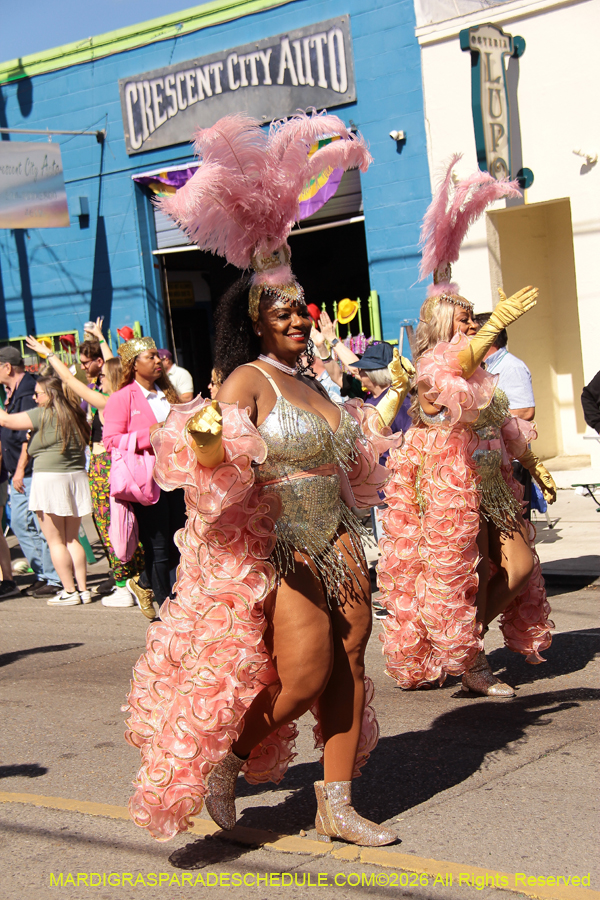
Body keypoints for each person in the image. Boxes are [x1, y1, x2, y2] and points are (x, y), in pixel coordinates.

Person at [124, 111, 412, 845]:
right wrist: (210, 444)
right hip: (281, 547)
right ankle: (225, 752)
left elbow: (351, 461)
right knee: (307, 673)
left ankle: (336, 802)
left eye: (300, 308)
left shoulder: (316, 384)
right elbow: (210, 469)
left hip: (341, 541)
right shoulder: (248, 381)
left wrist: (394, 401)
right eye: (281, 310)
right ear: (255, 319)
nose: (295, 317)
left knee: (349, 663)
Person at [378, 157, 557, 697]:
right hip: (447, 488)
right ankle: (472, 663)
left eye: (477, 318)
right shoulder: (433, 369)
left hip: (493, 482)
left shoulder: (484, 373)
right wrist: (497, 326)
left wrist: (534, 463)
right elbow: (449, 372)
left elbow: (503, 425)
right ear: (440, 324)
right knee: (462, 573)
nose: (475, 323)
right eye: (466, 318)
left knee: (519, 568)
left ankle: (464, 639)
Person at [25, 336, 145, 611]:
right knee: (133, 528)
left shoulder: (109, 402)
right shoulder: (134, 397)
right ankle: (138, 581)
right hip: (131, 469)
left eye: (102, 375)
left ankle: (125, 584)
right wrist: (103, 341)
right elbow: (115, 367)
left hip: (108, 471)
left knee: (113, 528)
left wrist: (50, 356)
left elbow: (71, 381)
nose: (97, 378)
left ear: (112, 377)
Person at [102, 338, 185, 619]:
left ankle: (178, 601)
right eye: (150, 357)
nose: (158, 360)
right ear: (133, 364)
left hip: (178, 479)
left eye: (158, 356)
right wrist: (147, 434)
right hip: (146, 484)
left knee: (180, 542)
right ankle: (165, 609)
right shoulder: (122, 398)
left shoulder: (168, 394)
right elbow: (110, 440)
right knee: (159, 547)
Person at [0, 374, 92, 606]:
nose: (34, 397)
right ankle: (83, 589)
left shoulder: (43, 414)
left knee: (55, 541)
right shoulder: (74, 414)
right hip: (76, 477)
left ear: (49, 395)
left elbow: (7, 422)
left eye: (38, 393)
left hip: (50, 479)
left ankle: (69, 591)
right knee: (72, 539)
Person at [0, 346, 61, 598]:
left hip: (29, 469)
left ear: (7, 367)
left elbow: (28, 434)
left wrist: (20, 468)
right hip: (16, 468)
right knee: (21, 523)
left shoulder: (27, 392)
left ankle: (53, 577)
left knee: (39, 524)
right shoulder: (14, 391)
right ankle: (43, 574)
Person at [476, 314, 536, 516]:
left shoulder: (512, 366)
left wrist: (482, 417)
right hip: (488, 458)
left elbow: (526, 410)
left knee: (514, 521)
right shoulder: (484, 367)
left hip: (510, 458)